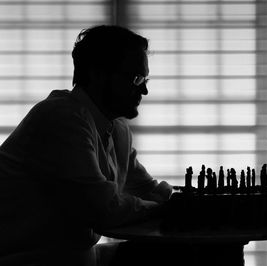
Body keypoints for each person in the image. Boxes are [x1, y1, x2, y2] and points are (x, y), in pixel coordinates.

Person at [0, 25, 172, 266]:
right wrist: (163, 209)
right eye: (136, 78)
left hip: (74, 257)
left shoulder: (117, 128)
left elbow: (144, 189)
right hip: (26, 258)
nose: (144, 89)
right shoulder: (61, 117)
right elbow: (103, 209)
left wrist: (177, 201)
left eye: (145, 78)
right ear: (98, 74)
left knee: (184, 255)